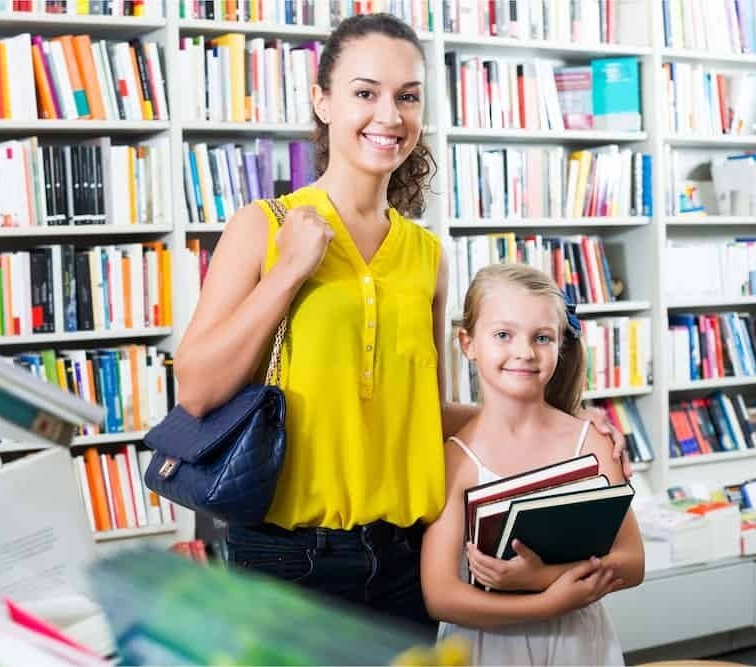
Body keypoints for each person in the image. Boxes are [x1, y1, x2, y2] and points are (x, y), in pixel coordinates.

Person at [172, 13, 630, 635]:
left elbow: (426, 410)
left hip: (402, 561)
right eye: (365, 93)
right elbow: (195, 390)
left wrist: (568, 429)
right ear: (323, 101)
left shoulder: (426, 255)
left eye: (407, 97)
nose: (389, 116)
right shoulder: (264, 225)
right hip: (284, 558)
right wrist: (288, 273)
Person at [420, 263, 645, 664]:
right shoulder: (455, 458)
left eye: (542, 337)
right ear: (468, 343)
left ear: (560, 345)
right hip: (487, 648)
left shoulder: (591, 442)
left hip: (577, 644)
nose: (524, 351)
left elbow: (633, 562)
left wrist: (540, 579)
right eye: (503, 335)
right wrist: (546, 603)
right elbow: (441, 596)